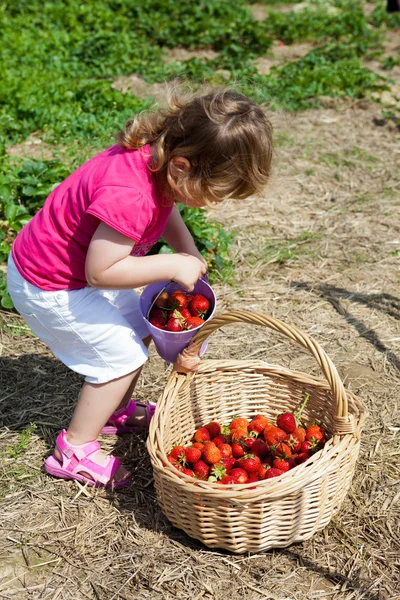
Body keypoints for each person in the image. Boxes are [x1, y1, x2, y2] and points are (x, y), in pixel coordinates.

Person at [7, 87, 273, 488]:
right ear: (182, 166)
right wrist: (170, 262)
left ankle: (113, 410)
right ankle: (74, 450)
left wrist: (185, 246)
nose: (214, 205)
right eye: (215, 194)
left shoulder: (158, 162)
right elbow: (101, 272)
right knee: (120, 358)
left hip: (74, 271)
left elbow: (164, 210)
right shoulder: (129, 194)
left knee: (138, 331)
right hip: (51, 283)